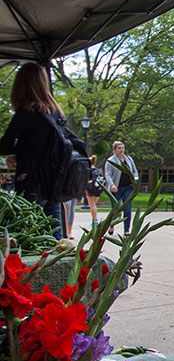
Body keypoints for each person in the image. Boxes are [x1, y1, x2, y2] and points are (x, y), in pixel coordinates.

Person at [0, 62, 70, 240]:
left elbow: (4, 145)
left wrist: (19, 151)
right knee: (54, 232)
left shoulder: (26, 112)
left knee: (27, 232)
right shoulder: (56, 112)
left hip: (31, 180)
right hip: (54, 181)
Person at [104, 140, 139, 236]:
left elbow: (135, 171)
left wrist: (135, 181)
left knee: (127, 208)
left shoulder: (129, 159)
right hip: (116, 188)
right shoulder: (110, 161)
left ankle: (126, 230)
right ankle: (111, 225)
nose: (121, 150)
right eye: (119, 148)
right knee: (115, 210)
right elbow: (108, 174)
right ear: (114, 150)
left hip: (128, 187)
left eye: (123, 148)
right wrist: (112, 185)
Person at [85, 155, 103, 228]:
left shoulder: (88, 170)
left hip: (90, 189)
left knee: (92, 205)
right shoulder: (98, 170)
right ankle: (94, 219)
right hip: (98, 189)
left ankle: (95, 220)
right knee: (94, 205)